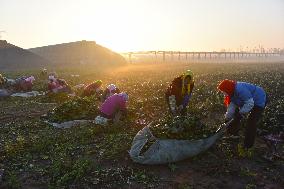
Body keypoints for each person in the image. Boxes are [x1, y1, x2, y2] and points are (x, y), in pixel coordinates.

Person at [217, 79, 267, 151]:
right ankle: (232, 135)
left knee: (251, 122)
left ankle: (248, 146)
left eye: (223, 91)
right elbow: (231, 108)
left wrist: (241, 113)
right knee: (235, 116)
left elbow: (250, 103)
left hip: (259, 99)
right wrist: (227, 119)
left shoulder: (240, 89)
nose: (223, 93)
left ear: (227, 89)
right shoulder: (230, 93)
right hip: (247, 101)